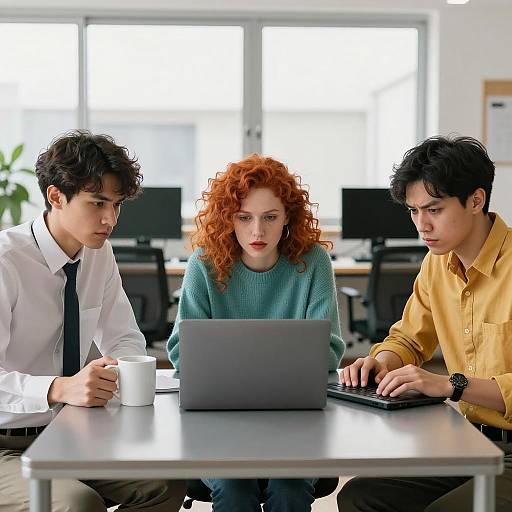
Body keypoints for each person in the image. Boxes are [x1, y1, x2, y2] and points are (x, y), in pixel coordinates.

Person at [0, 130, 185, 512]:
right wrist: (59, 388)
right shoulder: (6, 262)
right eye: (98, 202)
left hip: (69, 432)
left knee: (166, 483)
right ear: (55, 196)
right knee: (78, 504)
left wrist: (119, 369)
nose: (110, 219)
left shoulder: (97, 254)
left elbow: (125, 339)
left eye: (117, 205)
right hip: (6, 442)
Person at [337, 135, 512, 512]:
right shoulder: (437, 263)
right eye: (414, 211)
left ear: (476, 200)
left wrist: (451, 385)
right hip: (471, 441)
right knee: (360, 497)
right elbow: (408, 339)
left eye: (433, 209)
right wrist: (380, 361)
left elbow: (450, 383)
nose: (422, 225)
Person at [168, 154, 344, 511]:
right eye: (244, 218)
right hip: (219, 417)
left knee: (290, 489)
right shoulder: (203, 264)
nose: (257, 232)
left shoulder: (313, 262)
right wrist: (279, 359)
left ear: (288, 219)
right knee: (234, 487)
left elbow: (329, 351)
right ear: (227, 219)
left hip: (295, 417)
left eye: (270, 218)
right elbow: (181, 352)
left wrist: (239, 361)